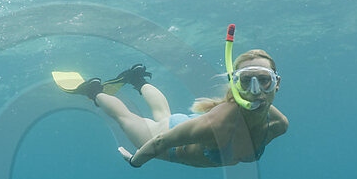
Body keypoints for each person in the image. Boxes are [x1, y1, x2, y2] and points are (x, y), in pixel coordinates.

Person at [55, 45, 287, 168]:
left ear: (276, 84)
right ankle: (93, 91)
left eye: (264, 80)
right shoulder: (217, 123)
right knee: (126, 118)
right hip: (167, 143)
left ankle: (136, 80)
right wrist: (135, 162)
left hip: (185, 126)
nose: (256, 90)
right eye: (246, 81)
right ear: (235, 85)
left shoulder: (278, 125)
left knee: (163, 115)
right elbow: (160, 142)